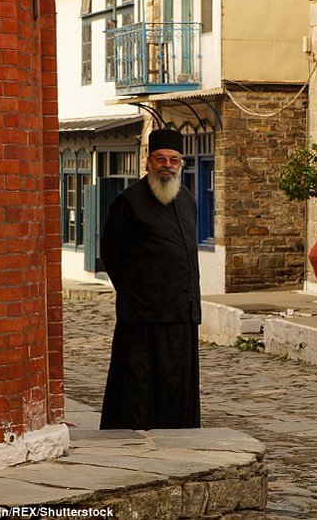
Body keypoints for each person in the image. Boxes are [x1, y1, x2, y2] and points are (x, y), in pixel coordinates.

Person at [99, 128, 201, 430]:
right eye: (160, 159)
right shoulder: (129, 202)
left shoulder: (187, 200)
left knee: (177, 383)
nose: (167, 165)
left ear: (180, 163)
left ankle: (178, 434)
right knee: (139, 383)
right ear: (148, 161)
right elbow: (112, 255)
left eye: (173, 160)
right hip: (143, 317)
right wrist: (140, 292)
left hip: (181, 313)